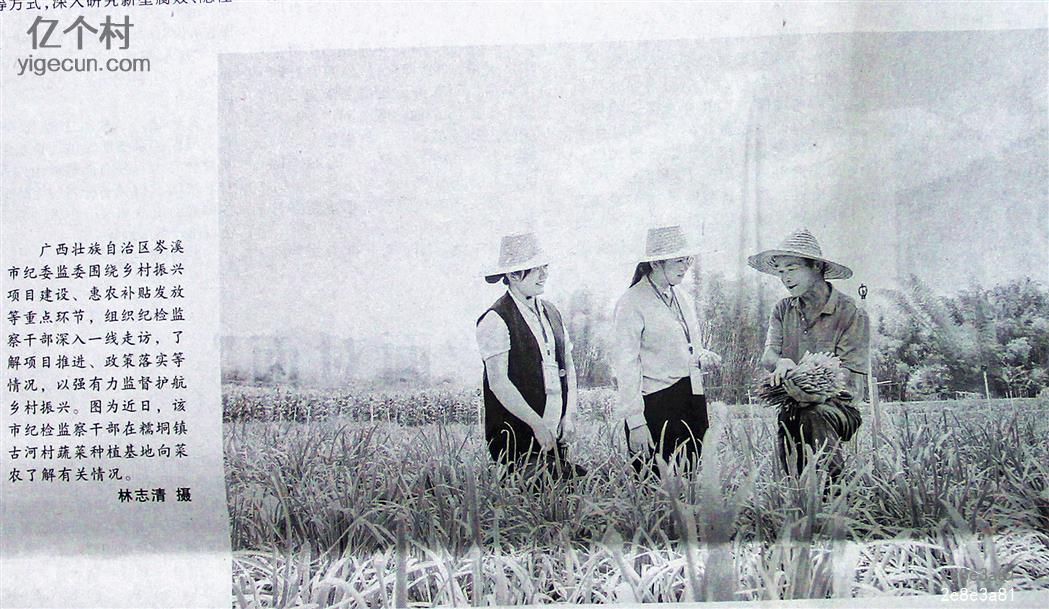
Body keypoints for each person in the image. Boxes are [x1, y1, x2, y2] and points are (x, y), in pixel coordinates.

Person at [748, 228, 867, 481]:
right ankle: (799, 493)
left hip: (838, 408)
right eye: (781, 271)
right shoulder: (783, 309)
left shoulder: (850, 311)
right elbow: (768, 355)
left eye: (792, 268)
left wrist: (813, 391)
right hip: (792, 404)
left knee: (814, 414)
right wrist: (781, 362)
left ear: (816, 267)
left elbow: (849, 376)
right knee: (794, 470)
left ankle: (833, 492)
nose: (785, 278)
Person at [476, 232, 586, 480]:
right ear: (514, 275)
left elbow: (568, 366)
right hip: (518, 444)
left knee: (583, 486)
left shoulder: (552, 312)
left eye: (545, 267)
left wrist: (569, 415)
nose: (544, 274)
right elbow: (498, 383)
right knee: (545, 490)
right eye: (536, 269)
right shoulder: (495, 319)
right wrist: (537, 424)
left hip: (555, 443)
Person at [613, 225, 721, 477]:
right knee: (657, 487)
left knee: (691, 483)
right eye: (679, 261)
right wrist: (636, 422)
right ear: (655, 263)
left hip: (691, 401)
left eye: (688, 260)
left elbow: (685, 347)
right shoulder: (631, 302)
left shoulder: (683, 297)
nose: (686, 267)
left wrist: (702, 355)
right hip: (656, 407)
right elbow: (626, 366)